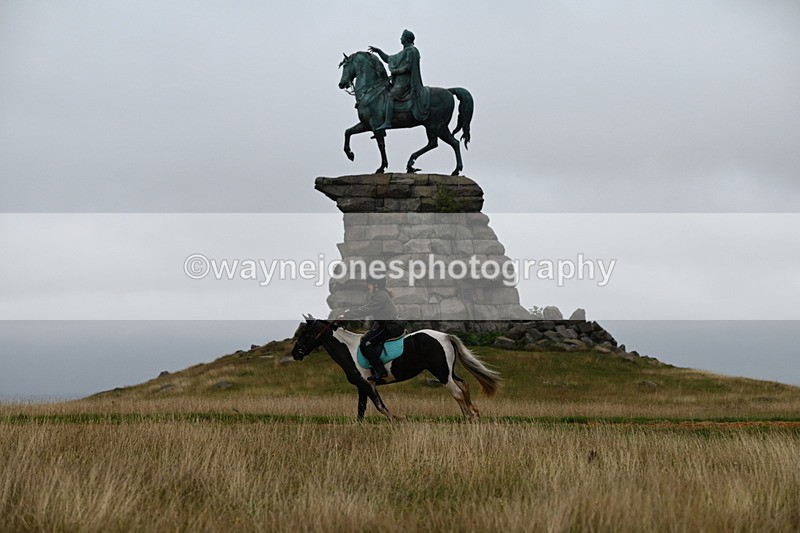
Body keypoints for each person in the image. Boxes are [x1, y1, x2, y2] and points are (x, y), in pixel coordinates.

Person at [339, 277, 405, 381]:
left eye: (369, 284)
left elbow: (368, 309)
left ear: (376, 285)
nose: (368, 286)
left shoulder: (381, 296)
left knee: (366, 343)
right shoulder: (379, 295)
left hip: (390, 327)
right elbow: (368, 307)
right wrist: (350, 311)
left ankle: (381, 371)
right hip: (387, 325)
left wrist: (349, 314)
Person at [368, 29, 429, 131]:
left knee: (390, 96)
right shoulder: (403, 52)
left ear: (406, 39)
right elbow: (389, 59)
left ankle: (387, 122)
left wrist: (396, 71)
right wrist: (378, 51)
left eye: (402, 36)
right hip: (398, 82)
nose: (400, 38)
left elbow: (408, 67)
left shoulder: (411, 51)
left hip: (405, 83)